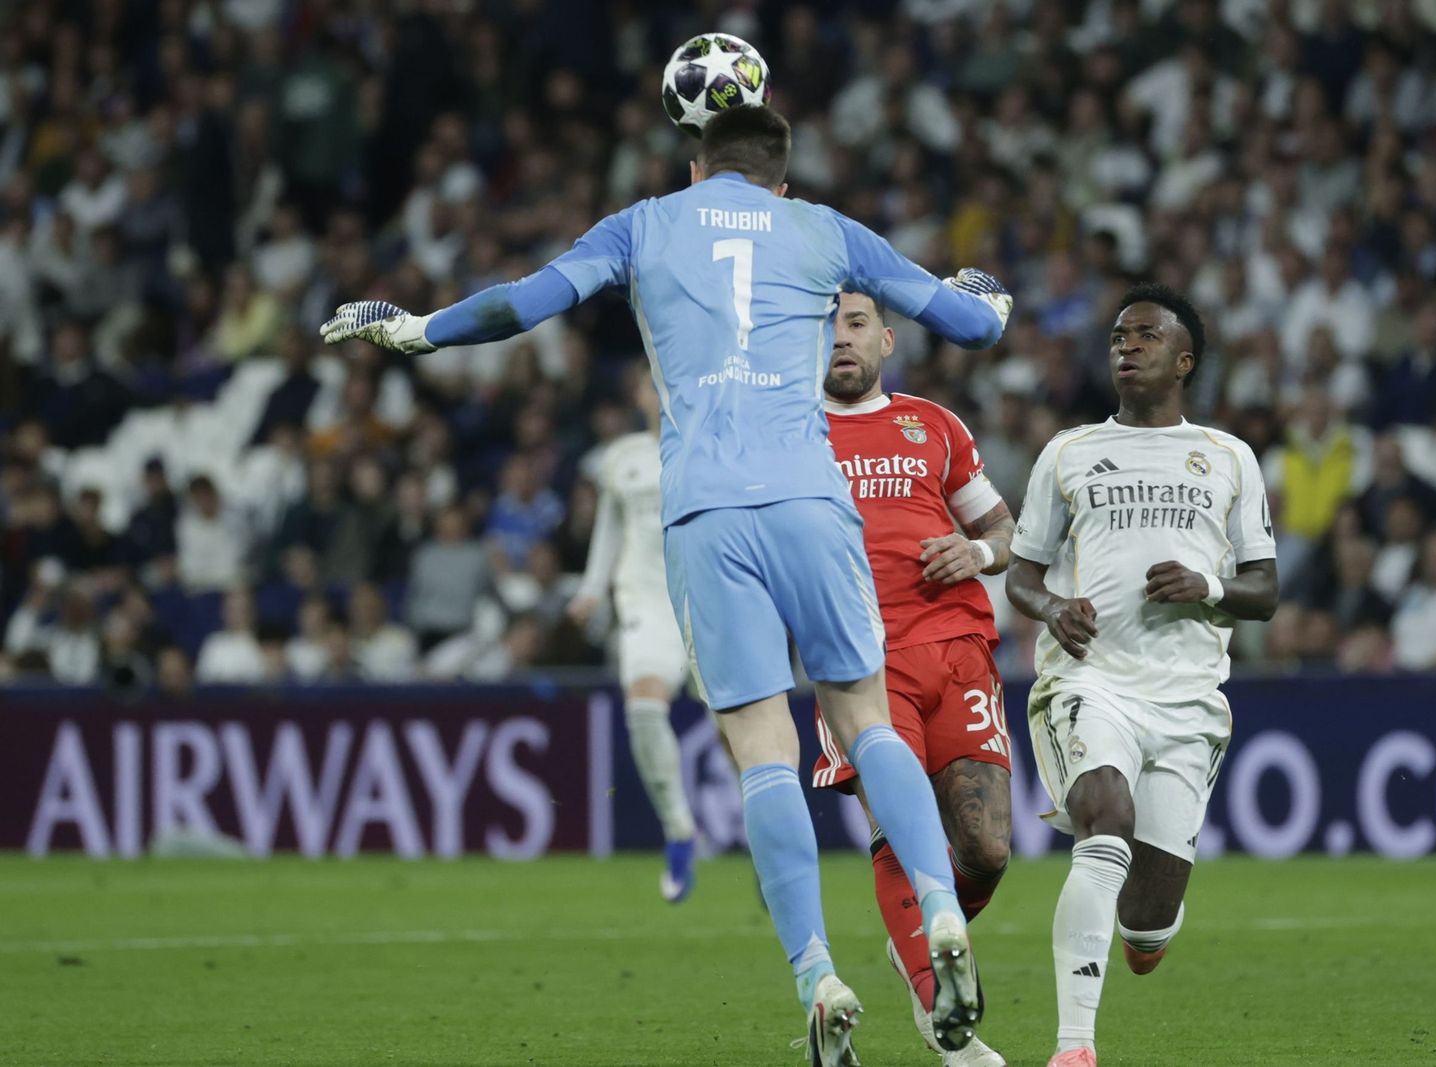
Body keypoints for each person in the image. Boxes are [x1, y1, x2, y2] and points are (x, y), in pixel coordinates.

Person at [320, 106, 1012, 1064]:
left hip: (705, 512)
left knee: (762, 749)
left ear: (696, 166)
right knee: (866, 717)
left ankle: (817, 973)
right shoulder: (823, 229)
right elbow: (971, 324)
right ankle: (942, 911)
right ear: (782, 174)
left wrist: (415, 330)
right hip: (813, 498)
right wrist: (989, 293)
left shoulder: (645, 223)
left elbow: (522, 303)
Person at [1005, 284, 1278, 1067]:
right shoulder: (1069, 451)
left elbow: (1264, 589)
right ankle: (1074, 1046)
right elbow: (1021, 574)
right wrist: (1051, 606)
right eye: (1120, 335)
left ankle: (1146, 928)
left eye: (1147, 335)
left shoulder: (1229, 458)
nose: (1126, 345)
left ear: (1184, 360)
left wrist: (1211, 587)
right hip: (1092, 681)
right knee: (1102, 810)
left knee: (1148, 918)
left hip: (1189, 700)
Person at [811, 291, 1015, 1067]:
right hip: (856, 656)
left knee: (988, 849)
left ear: (887, 340)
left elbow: (1001, 525)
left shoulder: (934, 423)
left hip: (957, 641)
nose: (841, 337)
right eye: (826, 325)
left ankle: (918, 939)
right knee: (898, 825)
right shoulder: (790, 428)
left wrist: (981, 554)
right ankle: (945, 1020)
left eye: (856, 322)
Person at [568, 365, 702, 904]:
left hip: (707, 602)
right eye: (652, 381)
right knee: (644, 706)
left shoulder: (711, 443)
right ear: (641, 392)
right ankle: (678, 830)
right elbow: (609, 528)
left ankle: (767, 841)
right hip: (644, 602)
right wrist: (591, 588)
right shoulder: (620, 459)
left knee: (737, 733)